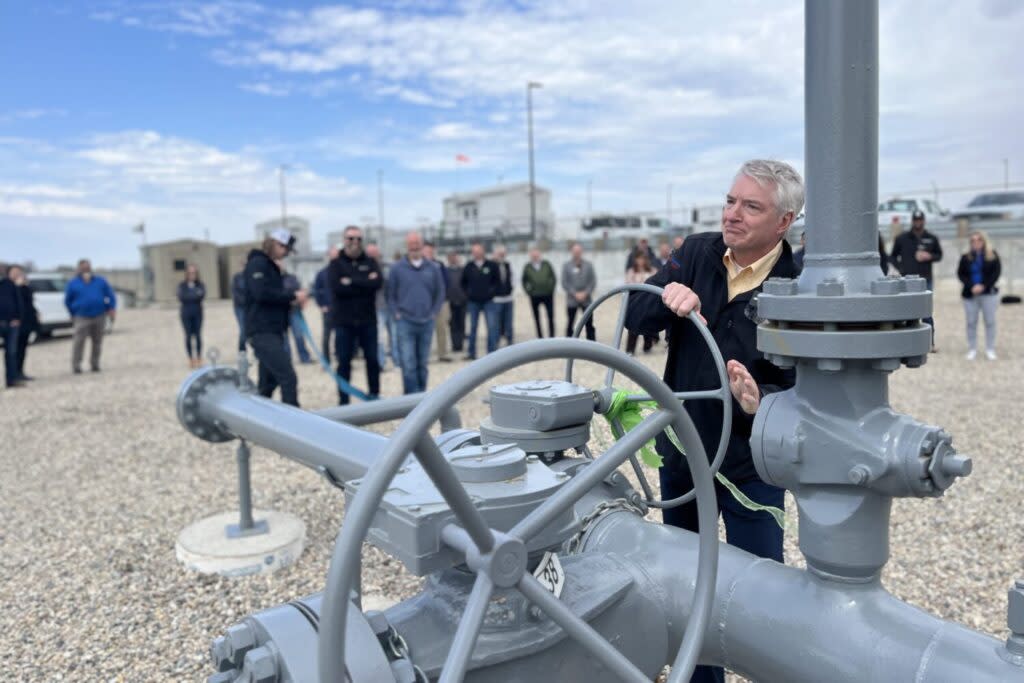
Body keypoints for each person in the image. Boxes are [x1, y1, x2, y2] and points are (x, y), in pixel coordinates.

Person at [625, 159, 803, 683]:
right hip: (682, 454)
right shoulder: (696, 252)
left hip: (752, 466)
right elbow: (635, 318)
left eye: (752, 206)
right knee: (685, 587)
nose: (733, 214)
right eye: (730, 201)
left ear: (784, 221)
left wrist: (760, 399)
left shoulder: (798, 286)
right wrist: (665, 298)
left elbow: (810, 388)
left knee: (761, 589)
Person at [243, 229, 307, 407]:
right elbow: (261, 293)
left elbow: (271, 295)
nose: (286, 254)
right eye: (285, 249)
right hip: (263, 331)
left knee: (267, 384)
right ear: (276, 244)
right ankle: (293, 426)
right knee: (288, 378)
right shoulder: (258, 264)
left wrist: (290, 300)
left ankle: (258, 422)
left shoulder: (270, 266)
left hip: (273, 330)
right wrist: (292, 296)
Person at [328, 225, 382, 404]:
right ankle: (344, 401)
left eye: (358, 239)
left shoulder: (371, 261)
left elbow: (377, 284)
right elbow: (337, 288)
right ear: (344, 240)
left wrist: (350, 281)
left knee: (372, 360)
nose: (355, 242)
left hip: (368, 321)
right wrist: (364, 281)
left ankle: (374, 397)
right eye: (351, 238)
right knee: (344, 362)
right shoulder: (335, 264)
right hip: (344, 322)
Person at [388, 232, 445, 393]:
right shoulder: (397, 269)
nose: (414, 246)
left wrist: (434, 312)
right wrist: (396, 313)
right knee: (408, 363)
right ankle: (411, 400)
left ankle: (421, 397)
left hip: (426, 321)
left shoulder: (433, 268)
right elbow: (390, 294)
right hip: (405, 322)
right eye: (411, 243)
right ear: (407, 246)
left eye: (417, 243)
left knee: (422, 363)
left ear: (422, 245)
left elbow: (440, 292)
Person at [890, 209, 942, 350]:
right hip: (907, 280)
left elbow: (939, 255)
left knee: (926, 311)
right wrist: (901, 268)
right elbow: (892, 256)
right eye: (916, 220)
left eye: (920, 220)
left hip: (926, 279)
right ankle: (907, 343)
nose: (918, 222)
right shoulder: (902, 238)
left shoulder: (932, 238)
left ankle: (929, 343)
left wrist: (929, 256)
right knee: (906, 311)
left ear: (923, 221)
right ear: (912, 221)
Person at [64, 258, 116, 374]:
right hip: (81, 316)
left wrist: (111, 308)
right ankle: (76, 365)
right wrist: (73, 313)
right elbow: (67, 300)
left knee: (97, 341)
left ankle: (95, 364)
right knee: (79, 342)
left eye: (87, 267)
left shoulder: (100, 281)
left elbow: (110, 295)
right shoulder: (73, 283)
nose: (85, 269)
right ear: (79, 269)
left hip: (99, 315)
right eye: (83, 267)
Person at [957, 230, 1001, 361]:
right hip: (970, 294)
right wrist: (972, 286)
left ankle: (990, 349)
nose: (976, 243)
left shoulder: (993, 255)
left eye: (979, 240)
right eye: (973, 240)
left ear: (984, 241)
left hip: (988, 293)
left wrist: (983, 286)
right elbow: (961, 274)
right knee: (971, 322)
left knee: (990, 321)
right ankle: (972, 349)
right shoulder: (965, 257)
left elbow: (996, 273)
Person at [461, 242, 500, 360]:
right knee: (472, 328)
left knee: (492, 327)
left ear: (483, 251)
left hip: (489, 301)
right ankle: (471, 352)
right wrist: (468, 293)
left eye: (478, 250)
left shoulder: (492, 265)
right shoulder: (468, 266)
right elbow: (463, 283)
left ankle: (492, 353)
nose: (476, 253)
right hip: (473, 302)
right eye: (474, 251)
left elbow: (497, 282)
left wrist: (491, 293)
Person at [624, 249, 657, 354]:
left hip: (649, 301)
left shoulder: (652, 270)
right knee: (633, 325)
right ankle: (630, 349)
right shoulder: (631, 271)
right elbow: (628, 284)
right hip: (635, 301)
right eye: (639, 258)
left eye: (643, 258)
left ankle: (647, 346)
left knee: (649, 323)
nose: (641, 261)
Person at [8, 266, 37, 382]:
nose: (17, 275)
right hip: (14, 323)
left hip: (26, 323)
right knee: (13, 350)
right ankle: (13, 374)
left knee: (22, 349)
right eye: (14, 272)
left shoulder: (25, 287)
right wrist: (18, 287)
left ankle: (20, 371)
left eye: (19, 272)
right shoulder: (8, 288)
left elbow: (29, 301)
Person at [562, 243, 597, 340]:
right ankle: (569, 343)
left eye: (578, 251)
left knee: (589, 323)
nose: (577, 253)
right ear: (572, 252)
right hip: (572, 300)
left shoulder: (589, 265)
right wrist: (575, 293)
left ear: (581, 252)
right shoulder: (566, 266)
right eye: (575, 251)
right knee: (570, 323)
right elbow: (565, 283)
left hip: (586, 299)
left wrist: (585, 293)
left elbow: (593, 281)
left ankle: (592, 344)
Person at [366, 242, 392, 370]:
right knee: (380, 338)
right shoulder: (364, 268)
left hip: (391, 306)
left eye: (374, 253)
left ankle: (397, 361)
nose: (372, 255)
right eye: (369, 253)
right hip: (375, 307)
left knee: (395, 336)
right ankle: (381, 363)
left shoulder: (387, 267)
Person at [423, 240, 451, 361]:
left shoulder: (439, 264)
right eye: (427, 250)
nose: (430, 253)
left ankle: (442, 354)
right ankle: (424, 355)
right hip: (424, 303)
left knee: (442, 329)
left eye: (431, 250)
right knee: (424, 330)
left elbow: (446, 282)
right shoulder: (419, 265)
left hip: (440, 302)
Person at [280, 263, 313, 364]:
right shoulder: (272, 279)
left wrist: (301, 299)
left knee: (299, 335)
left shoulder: (291, 278)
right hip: (281, 312)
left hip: (294, 310)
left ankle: (304, 357)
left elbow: (299, 291)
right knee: (284, 338)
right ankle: (286, 359)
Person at [521, 246, 556, 338]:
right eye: (533, 255)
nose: (535, 256)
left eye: (536, 254)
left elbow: (553, 277)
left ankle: (552, 336)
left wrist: (551, 288)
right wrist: (528, 291)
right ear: (530, 256)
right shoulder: (527, 266)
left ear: (540, 255)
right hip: (534, 296)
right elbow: (524, 281)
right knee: (537, 318)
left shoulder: (546, 264)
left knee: (550, 317)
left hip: (548, 295)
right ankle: (540, 337)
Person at [313, 245, 340, 363]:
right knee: (326, 336)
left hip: (342, 310)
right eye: (333, 254)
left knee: (341, 336)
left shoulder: (344, 272)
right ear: (329, 256)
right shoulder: (322, 273)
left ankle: (341, 358)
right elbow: (316, 290)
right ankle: (326, 360)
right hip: (328, 309)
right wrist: (321, 305)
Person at [176, 264, 206, 368]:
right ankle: (190, 358)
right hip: (186, 314)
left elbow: (201, 295)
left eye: (194, 273)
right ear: (186, 274)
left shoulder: (200, 285)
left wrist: (191, 295)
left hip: (198, 313)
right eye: (190, 273)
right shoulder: (182, 285)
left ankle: (198, 358)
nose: (192, 275)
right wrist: (194, 295)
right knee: (188, 336)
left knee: (198, 336)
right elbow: (182, 297)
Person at [0, 265, 24, 388]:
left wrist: (18, 318)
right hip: (3, 322)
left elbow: (18, 303)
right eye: (15, 272)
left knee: (11, 353)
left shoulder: (14, 286)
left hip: (12, 324)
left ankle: (12, 379)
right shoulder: (4, 285)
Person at [445, 251, 468, 354]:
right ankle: (455, 345)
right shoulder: (445, 271)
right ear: (448, 259)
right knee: (453, 325)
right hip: (450, 301)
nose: (453, 259)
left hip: (462, 300)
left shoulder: (463, 270)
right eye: (451, 257)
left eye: (454, 257)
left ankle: (461, 345)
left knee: (462, 323)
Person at [492, 245, 514, 346]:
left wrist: (512, 289)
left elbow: (513, 278)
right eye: (499, 253)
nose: (502, 255)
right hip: (496, 299)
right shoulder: (491, 265)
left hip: (508, 298)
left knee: (509, 323)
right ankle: (496, 342)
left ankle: (509, 341)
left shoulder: (508, 264)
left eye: (503, 253)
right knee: (496, 323)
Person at [231, 259, 248, 354]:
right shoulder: (236, 278)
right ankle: (242, 350)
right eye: (243, 265)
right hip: (240, 308)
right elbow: (235, 293)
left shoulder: (251, 277)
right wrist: (246, 300)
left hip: (250, 307)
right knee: (243, 329)